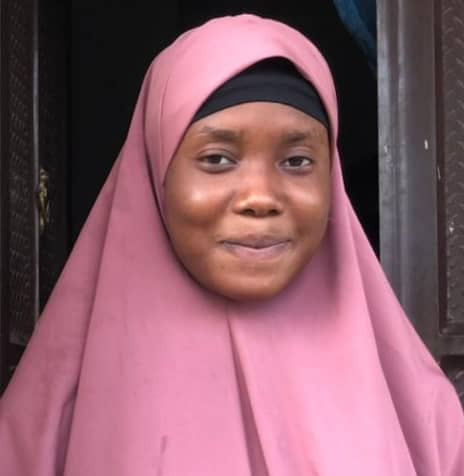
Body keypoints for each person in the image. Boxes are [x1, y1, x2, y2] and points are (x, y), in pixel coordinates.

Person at [0, 14, 463, 476]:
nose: (260, 198)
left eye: (297, 161)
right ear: (157, 176)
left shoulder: (426, 421)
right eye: (217, 159)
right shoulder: (41, 429)